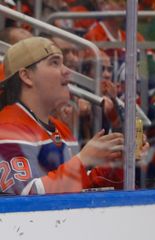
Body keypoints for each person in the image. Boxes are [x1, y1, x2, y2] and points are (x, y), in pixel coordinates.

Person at [0, 37, 126, 195]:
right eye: (54, 63)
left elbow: (75, 186)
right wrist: (82, 160)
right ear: (26, 76)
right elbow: (25, 196)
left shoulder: (61, 129)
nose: (67, 71)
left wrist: (117, 164)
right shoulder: (7, 129)